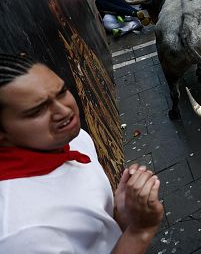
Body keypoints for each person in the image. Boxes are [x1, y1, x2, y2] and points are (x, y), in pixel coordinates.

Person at [0, 54, 163, 253]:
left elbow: (98, 233)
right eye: (37, 110)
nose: (64, 111)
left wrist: (121, 214)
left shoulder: (75, 138)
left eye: (61, 92)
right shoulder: (20, 235)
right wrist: (140, 231)